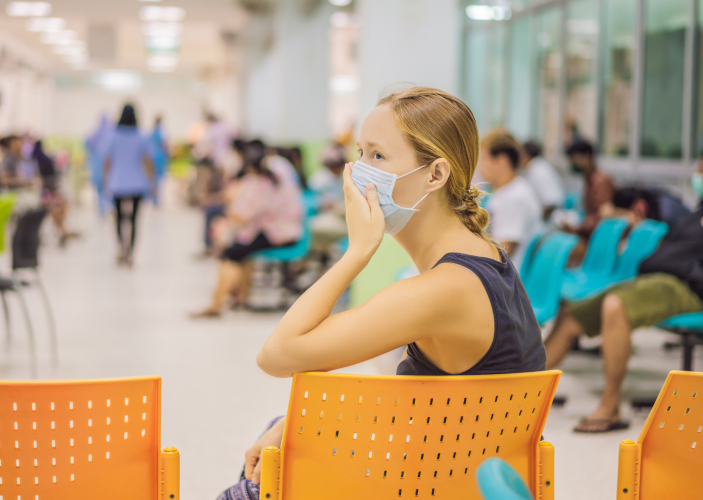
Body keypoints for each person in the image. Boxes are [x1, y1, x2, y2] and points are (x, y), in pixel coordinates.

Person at [217, 87, 546, 499]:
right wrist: (299, 419)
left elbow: (277, 355)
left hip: (429, 482)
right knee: (279, 426)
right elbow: (428, 398)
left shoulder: (441, 290)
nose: (357, 171)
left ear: (435, 175)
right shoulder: (483, 255)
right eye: (359, 152)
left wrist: (358, 252)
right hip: (454, 470)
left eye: (377, 156)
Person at [543, 160, 703, 433]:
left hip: (688, 288)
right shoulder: (696, 210)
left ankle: (610, 407)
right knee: (572, 315)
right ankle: (522, 391)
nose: (697, 173)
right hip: (659, 279)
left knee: (614, 306)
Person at [194, 140, 302, 317]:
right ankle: (239, 297)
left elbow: (243, 217)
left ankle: (215, 306)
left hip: (279, 235)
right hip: (282, 231)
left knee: (230, 254)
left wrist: (228, 208)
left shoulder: (263, 186)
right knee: (239, 249)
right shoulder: (274, 180)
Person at [479, 129, 543, 267]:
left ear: (502, 161)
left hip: (504, 278)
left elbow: (502, 252)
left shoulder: (515, 197)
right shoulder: (505, 191)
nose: (480, 167)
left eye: (484, 159)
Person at [103, 104, 156, 267]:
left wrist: (105, 180)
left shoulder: (113, 136)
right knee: (134, 220)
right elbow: (147, 161)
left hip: (118, 182)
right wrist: (152, 181)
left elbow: (107, 161)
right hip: (137, 183)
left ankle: (121, 249)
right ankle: (131, 253)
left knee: (118, 219)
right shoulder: (141, 136)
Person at [32, 140, 78, 247]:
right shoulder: (40, 160)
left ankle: (64, 231)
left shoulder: (40, 160)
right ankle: (64, 232)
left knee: (60, 208)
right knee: (56, 209)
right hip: (47, 192)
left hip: (50, 191)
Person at [566, 140, 615, 238]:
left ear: (587, 157)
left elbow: (603, 217)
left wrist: (576, 228)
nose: (571, 163)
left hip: (597, 238)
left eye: (574, 159)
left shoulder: (600, 182)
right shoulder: (589, 180)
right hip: (589, 234)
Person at [521, 140, 565, 219]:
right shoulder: (538, 167)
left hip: (551, 219)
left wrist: (537, 220)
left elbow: (552, 201)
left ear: (526, 156)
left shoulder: (537, 171)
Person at [149, 116, 169, 206]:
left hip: (153, 157)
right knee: (160, 180)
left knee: (154, 179)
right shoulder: (161, 131)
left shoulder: (153, 132)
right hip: (159, 157)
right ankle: (157, 198)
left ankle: (155, 198)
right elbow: (164, 144)